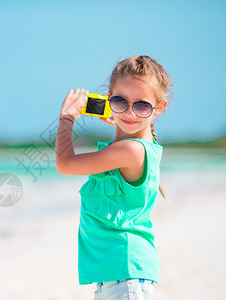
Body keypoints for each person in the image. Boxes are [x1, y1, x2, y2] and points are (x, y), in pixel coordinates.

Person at [55, 55, 171, 300]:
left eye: (141, 105)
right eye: (120, 101)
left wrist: (66, 118)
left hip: (125, 272)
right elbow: (128, 132)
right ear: (109, 99)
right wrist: (119, 121)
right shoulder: (129, 146)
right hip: (117, 273)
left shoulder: (131, 150)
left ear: (158, 108)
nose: (130, 112)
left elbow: (65, 164)